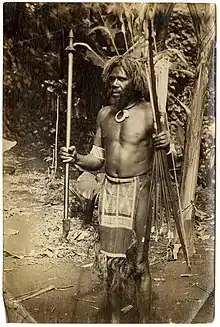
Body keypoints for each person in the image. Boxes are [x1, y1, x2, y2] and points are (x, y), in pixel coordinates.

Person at [60, 55, 170, 323]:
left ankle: (145, 321)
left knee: (140, 265)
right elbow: (97, 159)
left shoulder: (150, 113)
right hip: (110, 191)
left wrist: (166, 144)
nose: (115, 83)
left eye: (122, 78)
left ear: (135, 82)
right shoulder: (105, 115)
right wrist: (76, 158)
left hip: (138, 192)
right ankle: (114, 322)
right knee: (111, 265)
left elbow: (166, 157)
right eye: (113, 78)